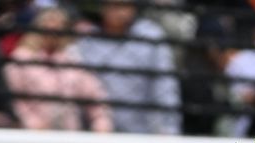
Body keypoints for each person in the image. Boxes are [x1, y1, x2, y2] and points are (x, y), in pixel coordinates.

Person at [3, 7, 113, 133]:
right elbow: (13, 97)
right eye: (48, 25)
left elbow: (95, 94)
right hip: (31, 133)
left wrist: (101, 121)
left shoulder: (71, 59)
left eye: (58, 26)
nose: (53, 31)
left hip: (68, 133)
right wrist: (31, 121)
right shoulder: (22, 58)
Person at [77, 1, 181, 135]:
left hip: (142, 134)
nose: (119, 12)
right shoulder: (87, 39)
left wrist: (168, 130)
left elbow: (164, 88)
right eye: (113, 5)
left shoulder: (150, 36)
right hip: (95, 133)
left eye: (124, 4)